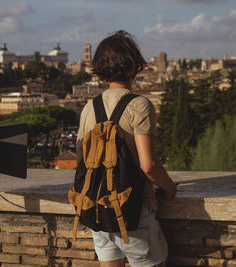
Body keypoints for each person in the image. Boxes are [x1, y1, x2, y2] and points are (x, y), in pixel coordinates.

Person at [76, 30, 177, 267]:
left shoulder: (89, 108)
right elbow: (148, 165)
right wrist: (169, 188)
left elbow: (83, 159)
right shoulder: (139, 105)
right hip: (132, 213)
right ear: (134, 65)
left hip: (97, 211)